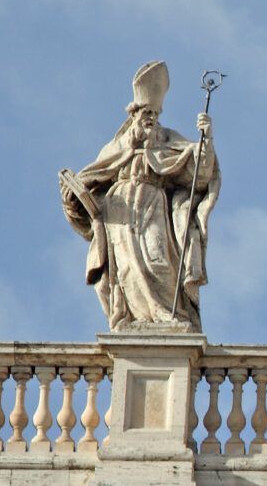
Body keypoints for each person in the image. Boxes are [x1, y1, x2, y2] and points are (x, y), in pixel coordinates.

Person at [59, 62, 219, 331]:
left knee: (159, 264)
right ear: (133, 115)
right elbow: (92, 180)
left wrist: (207, 138)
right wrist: (74, 197)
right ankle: (133, 318)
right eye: (146, 112)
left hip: (153, 204)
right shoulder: (116, 148)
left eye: (155, 113)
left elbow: (201, 173)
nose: (151, 118)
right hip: (118, 212)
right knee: (126, 269)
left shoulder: (167, 141)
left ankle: (169, 315)